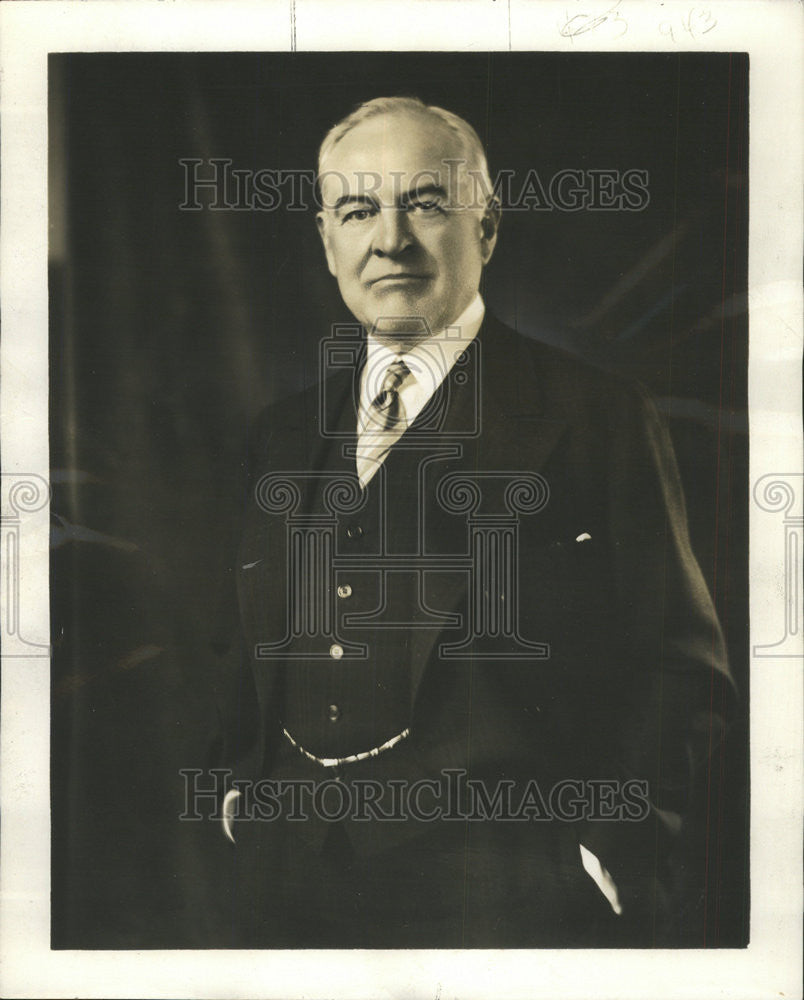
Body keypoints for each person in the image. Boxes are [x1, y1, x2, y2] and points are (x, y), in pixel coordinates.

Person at [208, 96, 733, 948]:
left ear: (486, 229)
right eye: (358, 210)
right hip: (289, 876)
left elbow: (682, 666)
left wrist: (605, 850)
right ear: (327, 239)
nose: (391, 240)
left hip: (510, 888)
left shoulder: (595, 414)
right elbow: (241, 630)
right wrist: (240, 780)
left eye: (424, 203)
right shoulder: (281, 430)